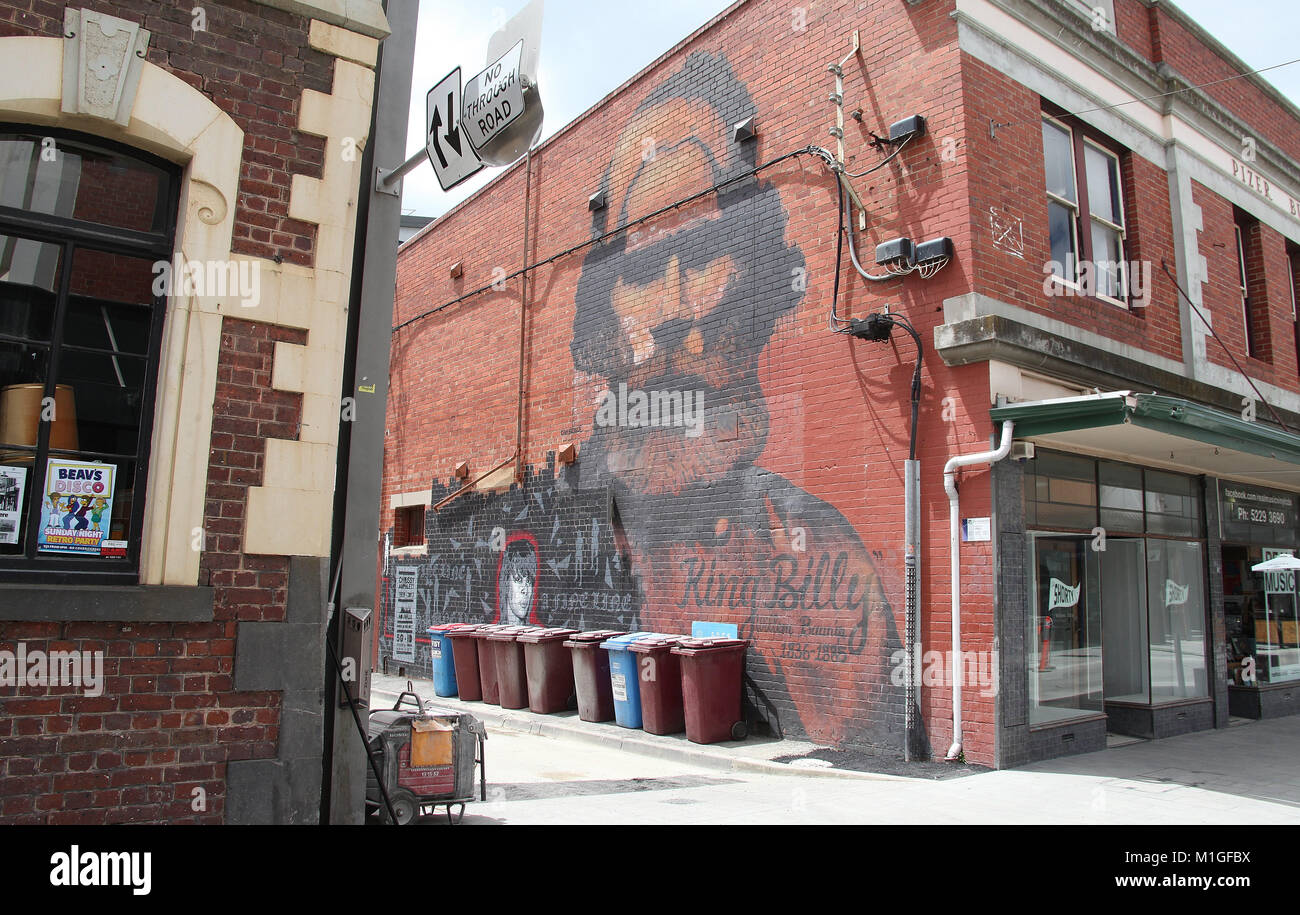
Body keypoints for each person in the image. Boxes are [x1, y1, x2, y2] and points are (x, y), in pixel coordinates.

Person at [568, 52, 903, 748]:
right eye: (637, 268)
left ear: (762, 277)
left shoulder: (816, 562)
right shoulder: (559, 526)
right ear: (602, 316)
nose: (671, 310)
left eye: (701, 253)